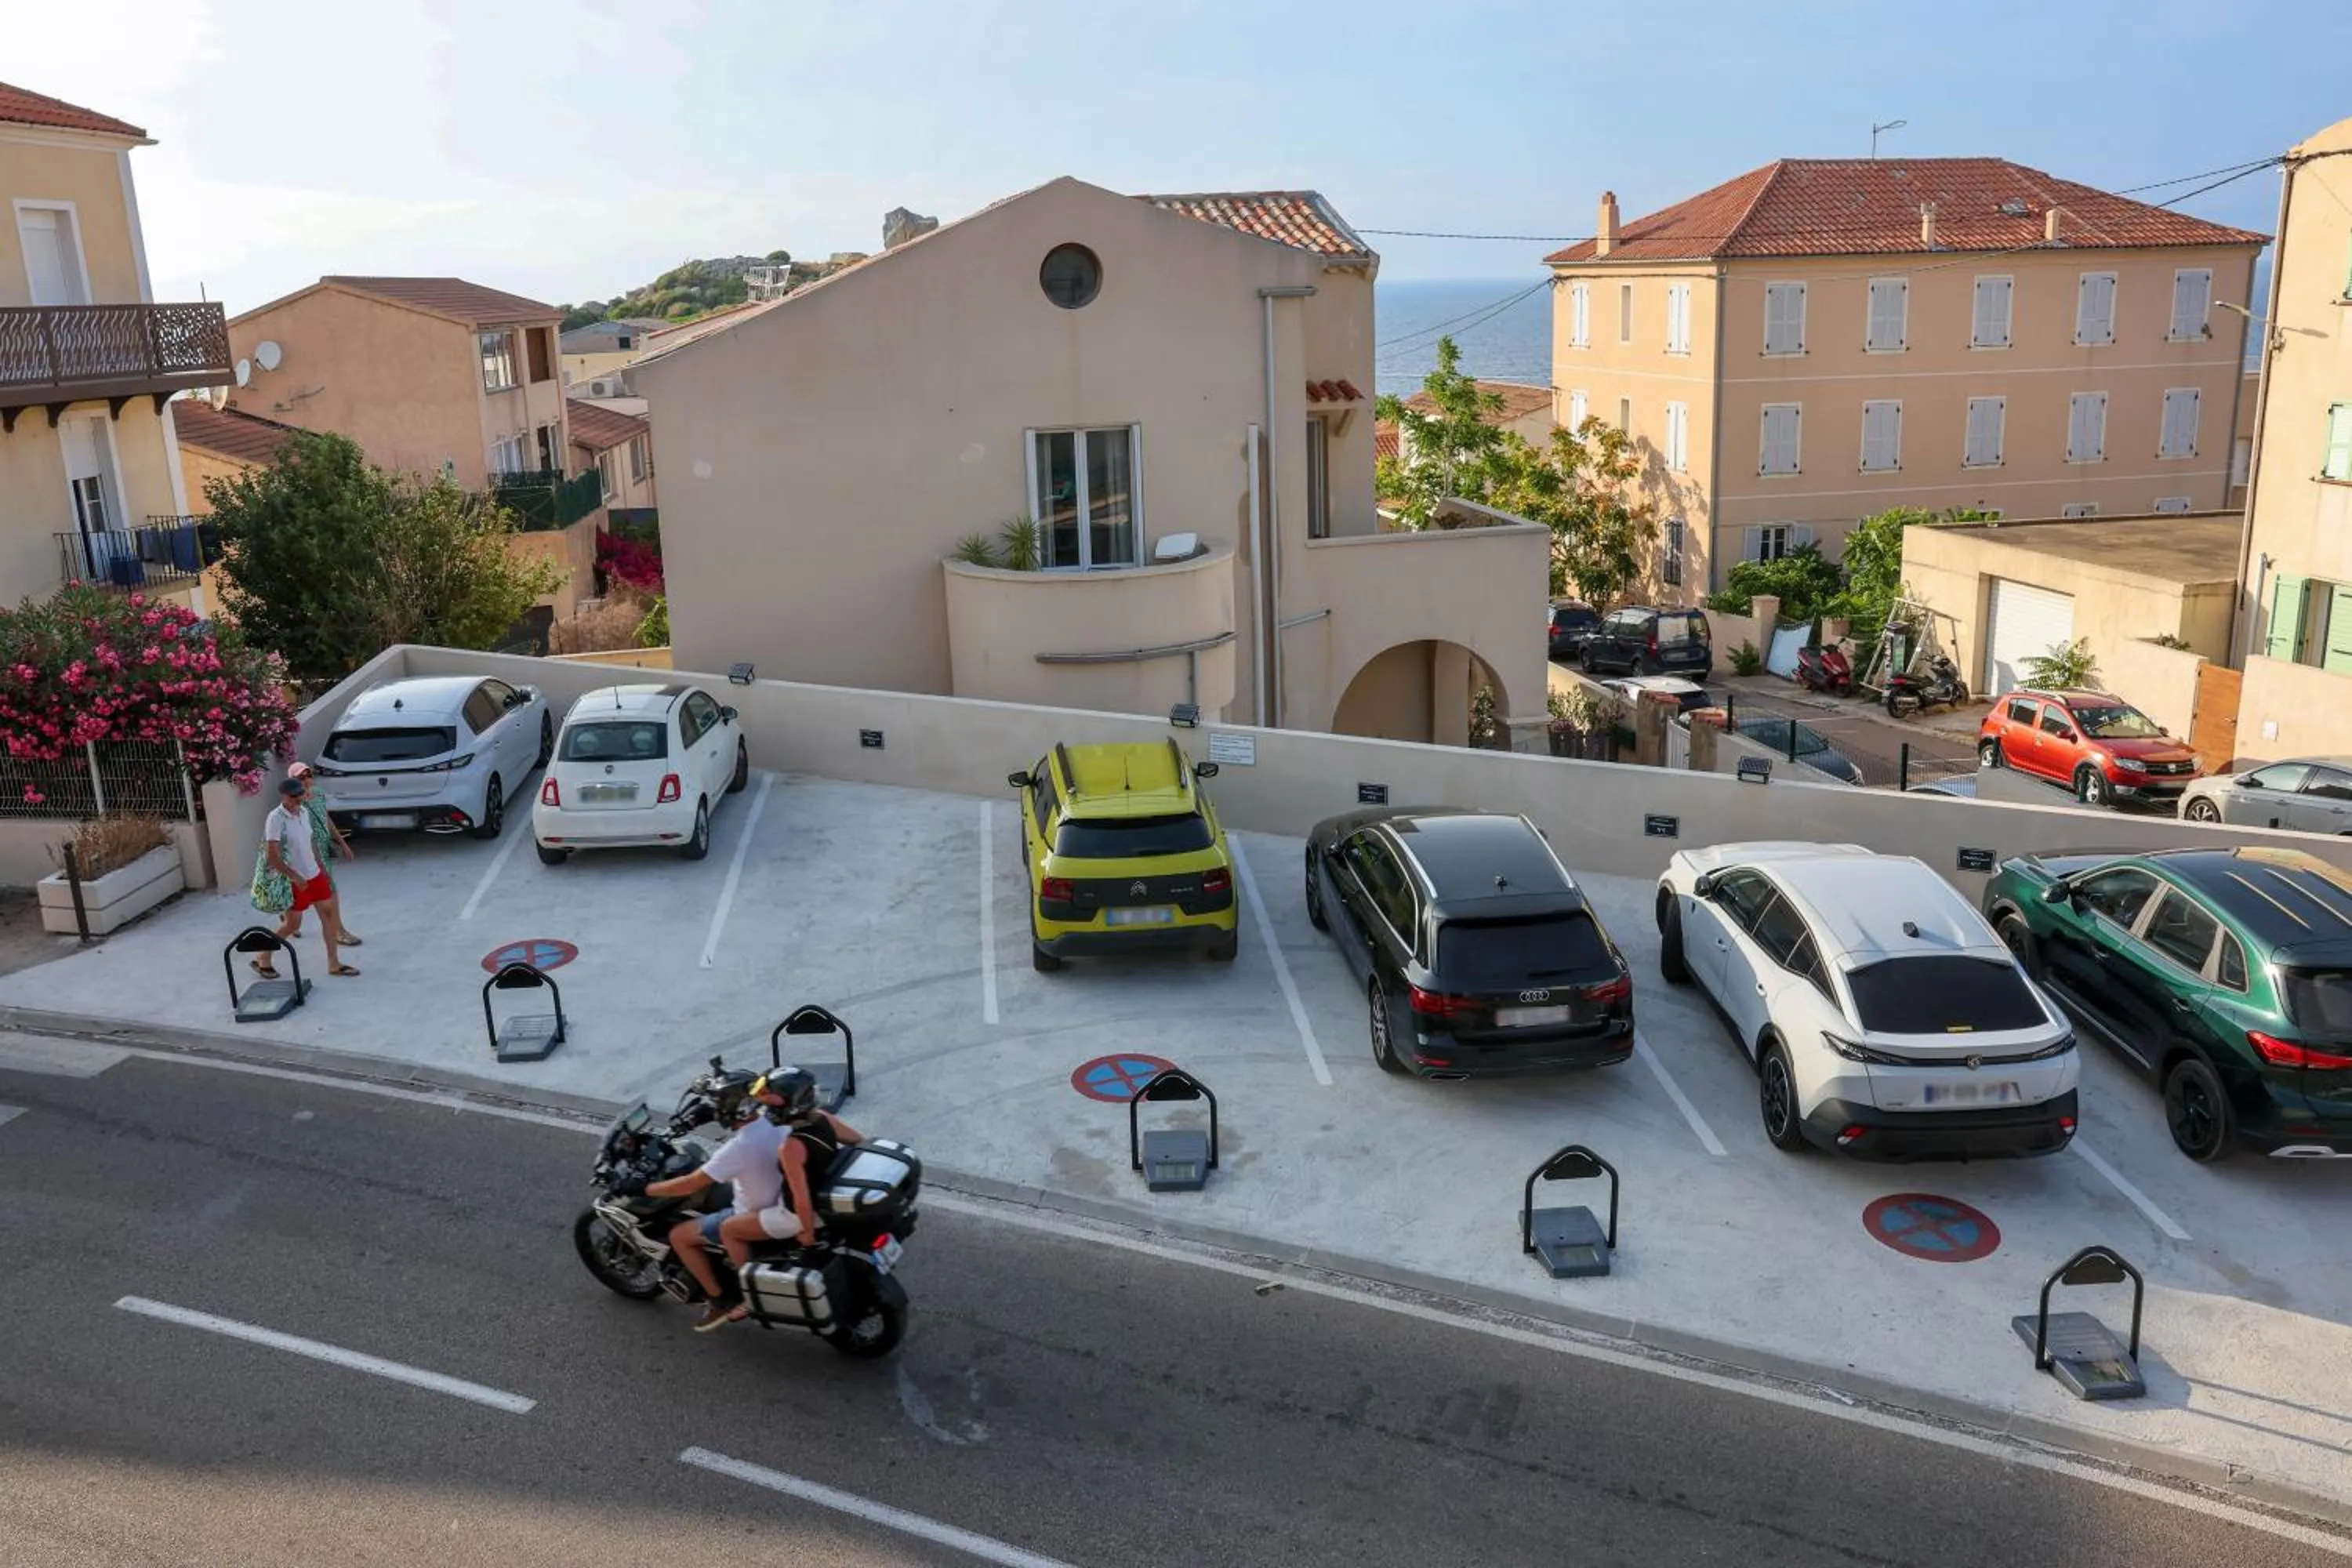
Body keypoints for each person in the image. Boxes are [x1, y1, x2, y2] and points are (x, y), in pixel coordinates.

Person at [711, 1067, 863, 1324]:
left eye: (769, 1096)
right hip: (829, 1202)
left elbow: (800, 1198)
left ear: (790, 1102)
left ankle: (748, 1299)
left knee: (728, 1229)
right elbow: (860, 1142)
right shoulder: (824, 1118)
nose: (763, 1102)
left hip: (797, 1215)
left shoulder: (791, 1147)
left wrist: (806, 1234)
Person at [639, 1089, 789, 1331]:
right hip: (777, 1198)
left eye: (719, 1108)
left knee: (680, 1236)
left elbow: (690, 1184)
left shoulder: (738, 1148)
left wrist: (647, 1189)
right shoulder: (776, 1123)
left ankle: (718, 1300)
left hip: (752, 1214)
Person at [252, 777, 356, 980]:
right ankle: (263, 957)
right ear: (284, 797)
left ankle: (334, 964)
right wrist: (294, 876)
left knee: (328, 916)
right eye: (295, 796)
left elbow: (310, 843)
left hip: (314, 873)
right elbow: (272, 856)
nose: (300, 798)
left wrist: (321, 867)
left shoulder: (304, 812)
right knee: (292, 926)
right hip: (295, 879)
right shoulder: (275, 818)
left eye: (301, 794)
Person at [281, 763, 361, 948]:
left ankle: (291, 919)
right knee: (321, 891)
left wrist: (342, 843)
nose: (307, 780)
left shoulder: (319, 794)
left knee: (322, 890)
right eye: (302, 777)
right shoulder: (295, 802)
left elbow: (326, 819)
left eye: (309, 775)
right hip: (306, 852)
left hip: (322, 849)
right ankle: (338, 931)